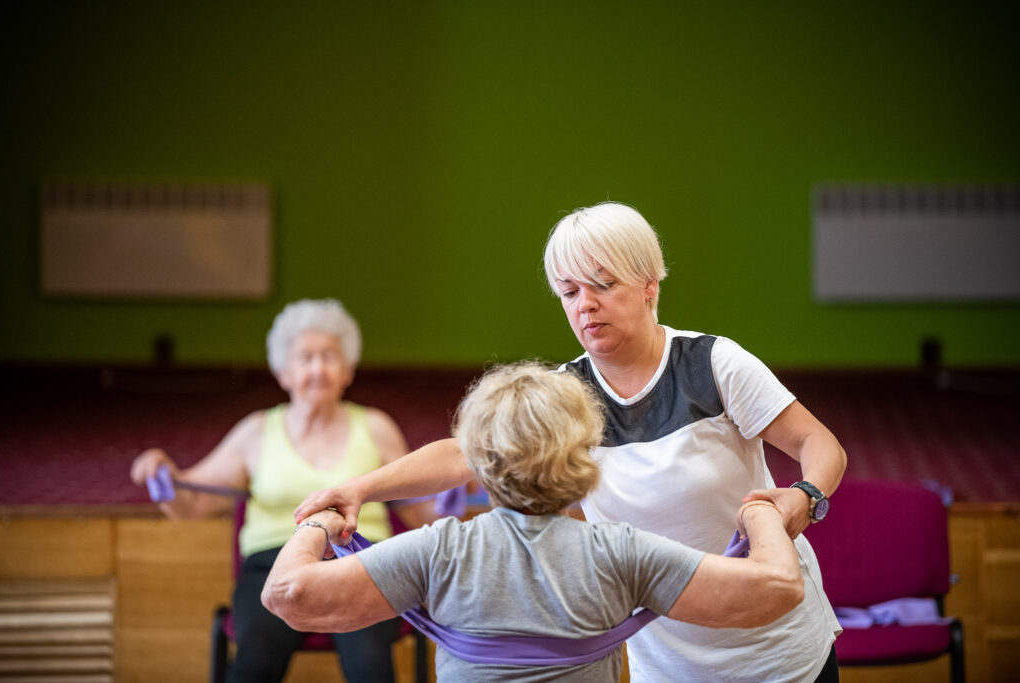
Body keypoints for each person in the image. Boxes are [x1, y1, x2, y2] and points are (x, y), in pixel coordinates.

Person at [295, 202, 847, 682]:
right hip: (667, 657)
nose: (584, 304)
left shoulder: (712, 362)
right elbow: (466, 453)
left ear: (650, 284)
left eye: (603, 285)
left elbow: (821, 446)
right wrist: (360, 488)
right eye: (569, 291)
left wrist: (805, 495)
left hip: (781, 649)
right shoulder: (566, 391)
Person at [265, 362, 805, 682]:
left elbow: (288, 594)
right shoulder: (623, 553)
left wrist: (322, 523)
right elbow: (777, 588)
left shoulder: (438, 551)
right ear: (585, 456)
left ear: (479, 462)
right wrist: (760, 513)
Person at [130, 298, 435, 683]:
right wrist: (162, 474)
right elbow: (191, 504)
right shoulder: (256, 431)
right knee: (255, 663)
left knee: (370, 666)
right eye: (305, 358)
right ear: (284, 373)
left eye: (329, 357)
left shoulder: (376, 427)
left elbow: (422, 512)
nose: (318, 368)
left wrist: (456, 492)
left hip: (361, 561)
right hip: (272, 565)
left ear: (347, 370)